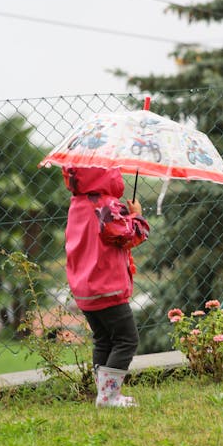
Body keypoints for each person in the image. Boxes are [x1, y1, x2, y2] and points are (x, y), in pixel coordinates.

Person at [63, 166, 149, 408]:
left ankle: (104, 395)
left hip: (85, 287)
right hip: (106, 285)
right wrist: (137, 216)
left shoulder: (77, 203)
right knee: (126, 339)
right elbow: (125, 236)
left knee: (103, 340)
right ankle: (109, 397)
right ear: (106, 174)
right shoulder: (105, 205)